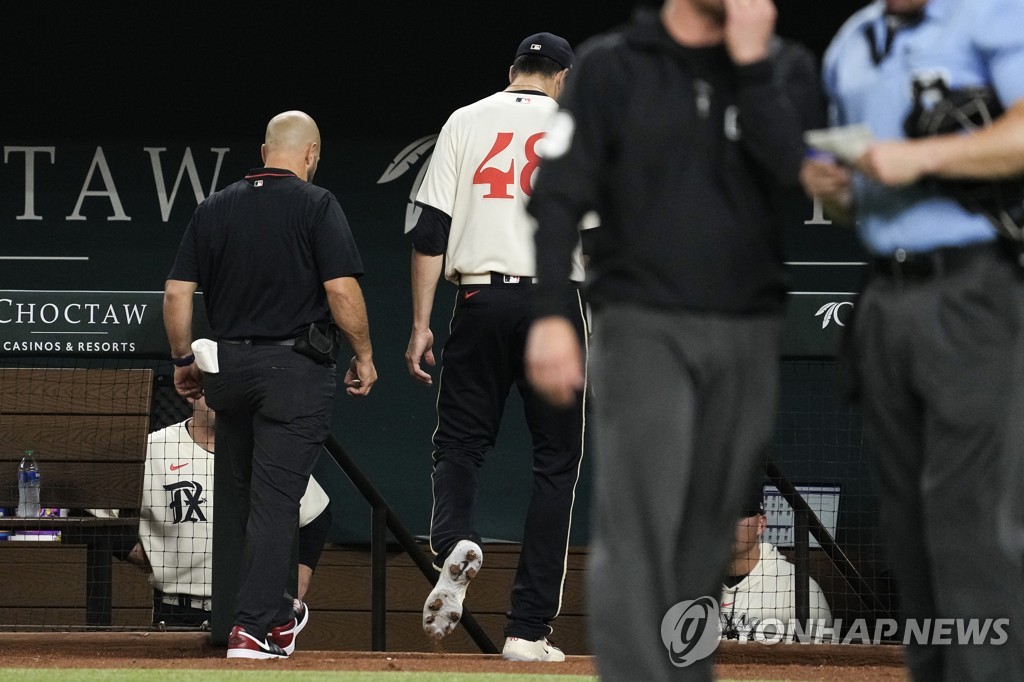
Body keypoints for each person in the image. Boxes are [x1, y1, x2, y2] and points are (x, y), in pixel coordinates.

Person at [523, 0, 822, 678]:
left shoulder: (783, 64)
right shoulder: (613, 63)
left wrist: (749, 65)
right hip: (643, 321)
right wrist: (548, 313)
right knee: (640, 528)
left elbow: (793, 171)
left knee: (708, 534)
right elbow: (561, 193)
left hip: (745, 328)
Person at [800, 1, 1024, 679]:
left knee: (973, 521)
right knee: (909, 530)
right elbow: (858, 185)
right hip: (885, 296)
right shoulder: (849, 40)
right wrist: (833, 188)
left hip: (975, 284)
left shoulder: (995, 14)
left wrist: (922, 154)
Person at [163, 110, 377, 659]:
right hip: (292, 372)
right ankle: (252, 629)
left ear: (264, 151)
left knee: (249, 498)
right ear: (311, 154)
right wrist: (365, 354)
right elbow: (341, 291)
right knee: (277, 501)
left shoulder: (213, 207)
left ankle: (276, 616)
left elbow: (177, 294)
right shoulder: (317, 202)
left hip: (228, 372)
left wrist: (183, 358)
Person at [403, 33, 589, 662]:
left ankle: (454, 537)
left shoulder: (465, 118)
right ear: (561, 77)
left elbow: (431, 231)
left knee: (459, 444)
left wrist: (421, 324)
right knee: (555, 464)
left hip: (479, 301)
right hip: (555, 303)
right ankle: (527, 631)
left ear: (512, 71)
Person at [94, 396, 332, 629]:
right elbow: (93, 509)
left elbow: (317, 514)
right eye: (211, 389)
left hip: (250, 611)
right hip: (177, 613)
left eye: (226, 391)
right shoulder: (154, 448)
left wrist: (301, 575)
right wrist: (137, 552)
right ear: (191, 395)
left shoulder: (263, 450)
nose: (220, 399)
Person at [719, 491, 832, 641]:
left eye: (739, 515)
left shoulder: (797, 588)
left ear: (761, 524)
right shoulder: (689, 582)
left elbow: (823, 660)